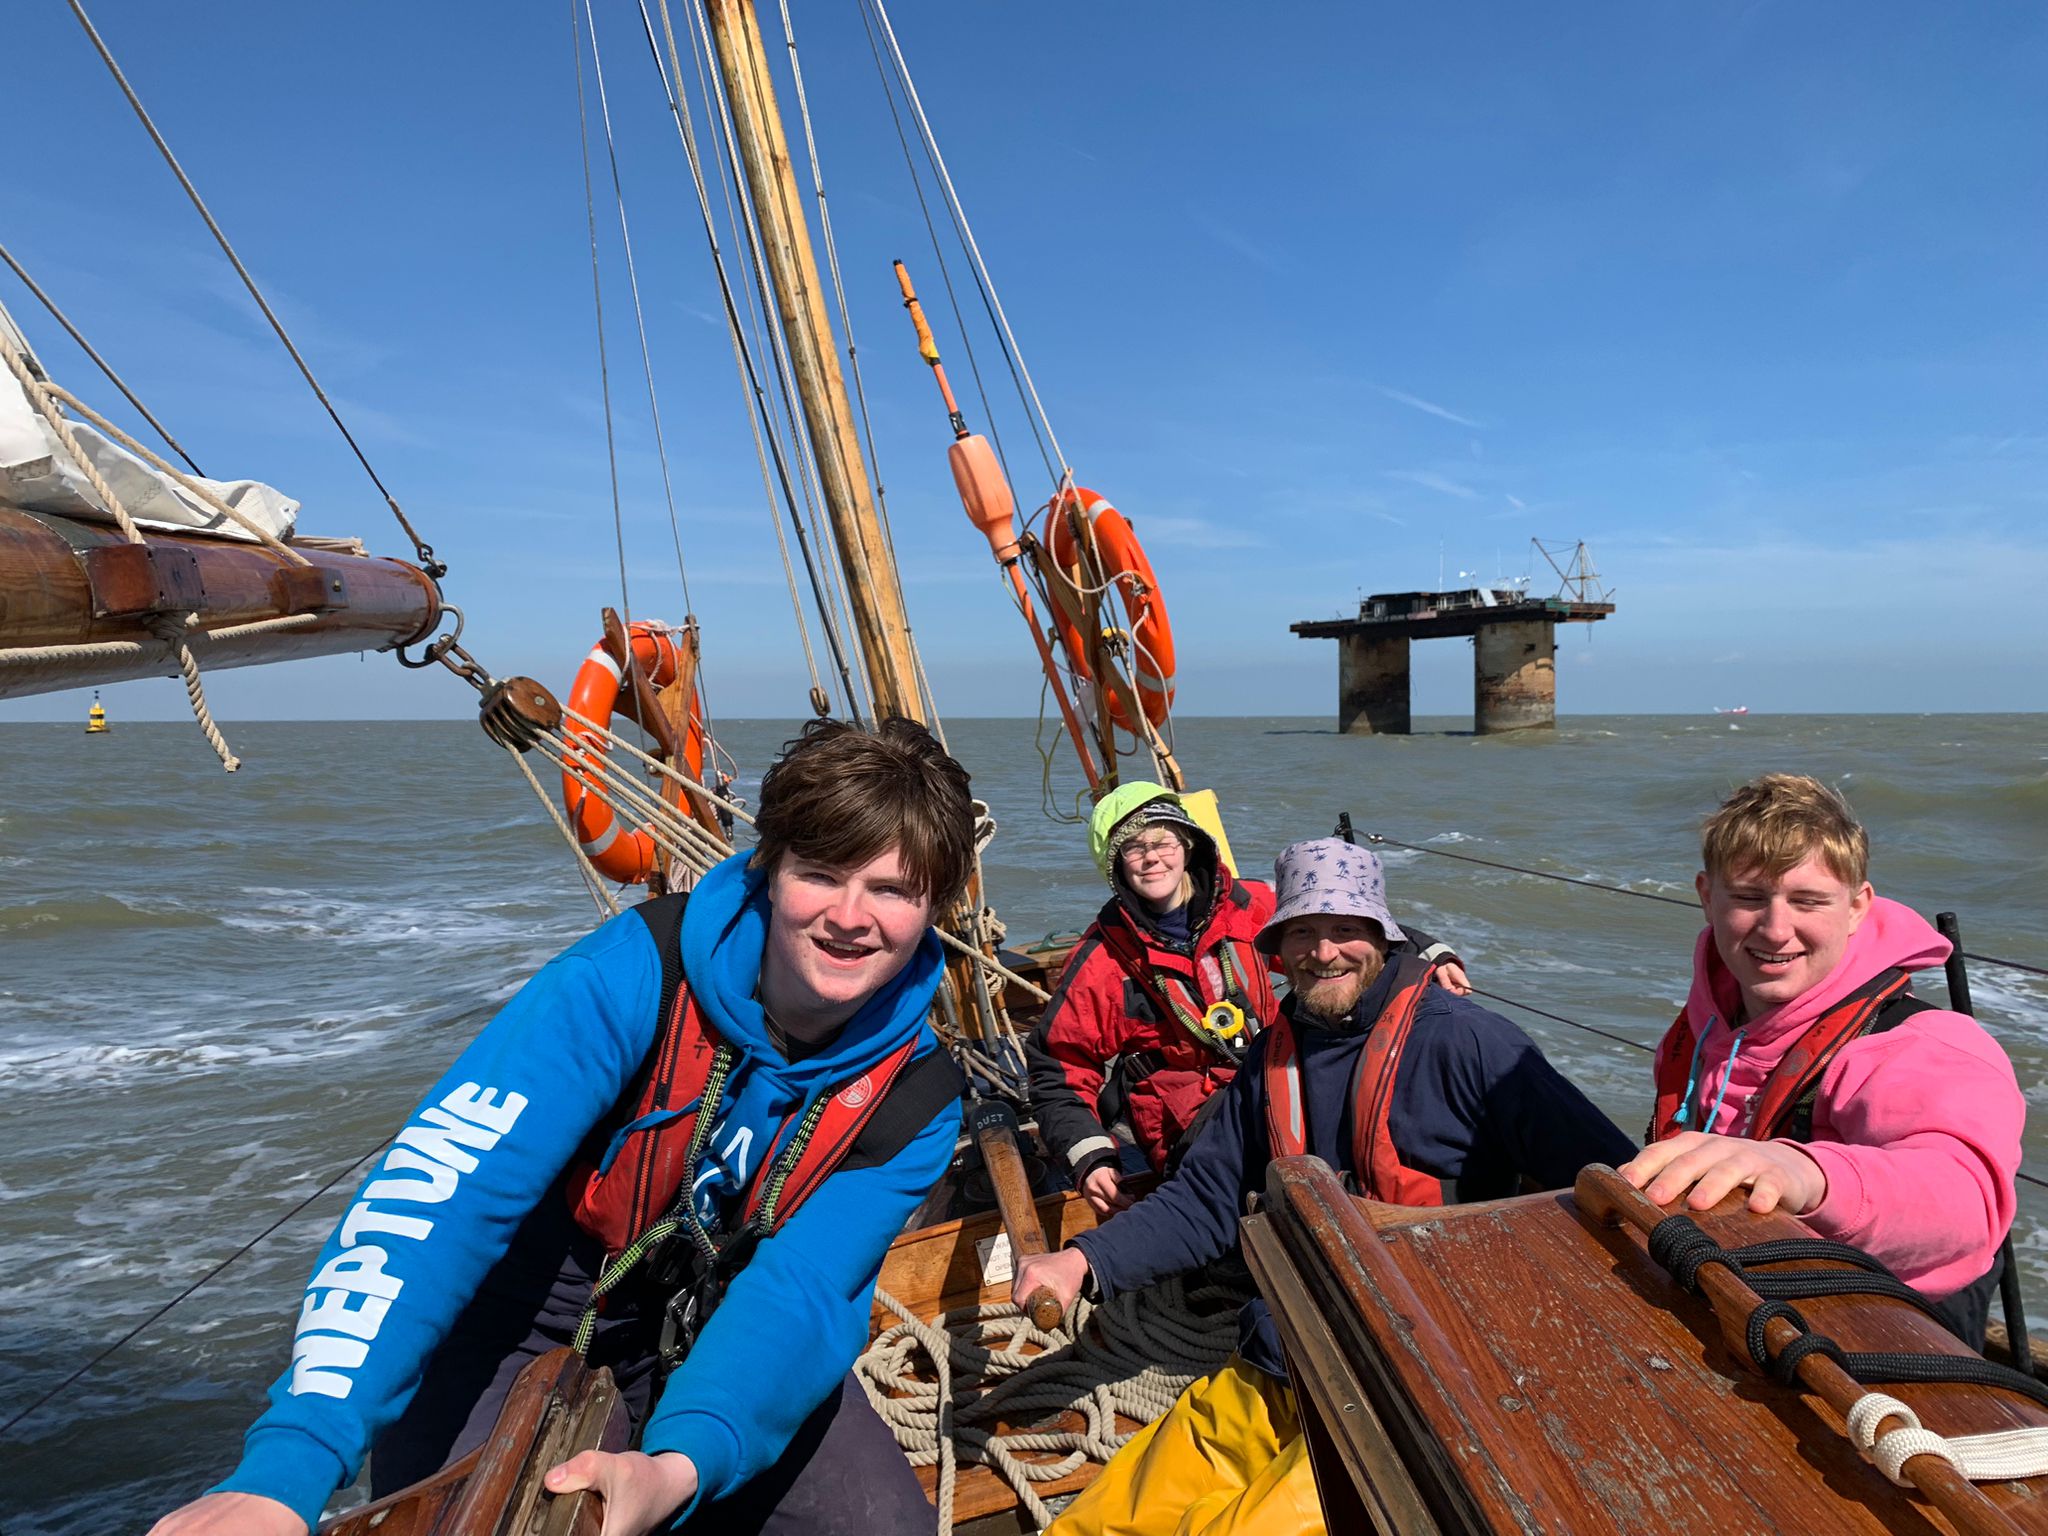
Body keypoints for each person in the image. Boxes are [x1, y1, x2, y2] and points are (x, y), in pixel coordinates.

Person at [148, 718, 978, 1536]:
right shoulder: (630, 978)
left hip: (714, 1324)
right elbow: (436, 1202)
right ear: (769, 868)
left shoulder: (915, 1098)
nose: (849, 916)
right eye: (822, 873)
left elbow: (798, 1293)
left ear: (933, 905)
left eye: (892, 890)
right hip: (520, 1323)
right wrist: (288, 1466)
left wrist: (676, 1466)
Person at [1014, 837, 1634, 1536]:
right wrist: (1084, 1262)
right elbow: (1205, 1199)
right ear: (1277, 946)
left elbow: (1609, 1186)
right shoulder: (1277, 1051)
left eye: (1345, 930)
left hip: (1419, 1390)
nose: (1324, 951)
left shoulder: (1470, 1045)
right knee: (1096, 1522)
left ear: (1381, 934)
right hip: (1289, 1352)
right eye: (1302, 932)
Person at [1621, 772, 2023, 1345]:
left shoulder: (1924, 1043)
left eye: (1808, 901)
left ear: (1858, 906)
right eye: (1749, 897)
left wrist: (1806, 1173)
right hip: (1730, 1295)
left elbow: (1963, 1205)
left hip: (1885, 1339)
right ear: (1707, 896)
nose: (1776, 929)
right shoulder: (1708, 1018)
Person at [1027, 785, 1470, 1216]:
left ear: (1187, 843)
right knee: (1275, 1180)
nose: (1152, 857)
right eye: (1133, 848)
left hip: (1277, 1073)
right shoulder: (1101, 960)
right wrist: (1090, 1155)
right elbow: (1060, 1066)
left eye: (1162, 840)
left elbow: (1340, 933)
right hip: (1187, 1117)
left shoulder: (1249, 904)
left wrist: (1428, 955)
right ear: (1115, 866)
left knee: (1389, 1112)